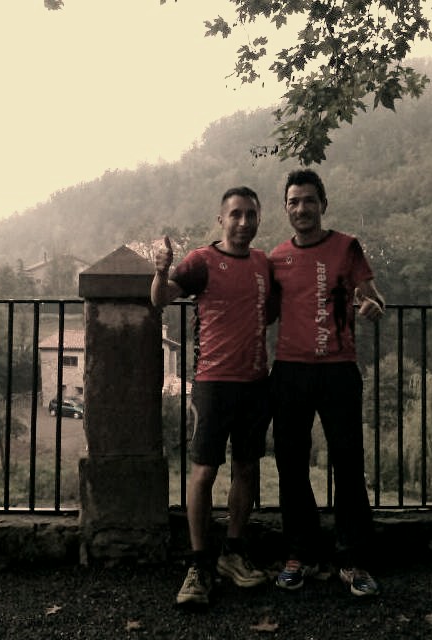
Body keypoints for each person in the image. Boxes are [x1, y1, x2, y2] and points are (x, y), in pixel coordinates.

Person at [151, 186, 271, 607]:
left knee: (247, 468)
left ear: (258, 219)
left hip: (255, 382)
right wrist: (161, 271)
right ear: (221, 219)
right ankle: (199, 564)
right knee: (203, 472)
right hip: (213, 383)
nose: (243, 222)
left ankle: (232, 554)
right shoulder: (201, 260)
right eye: (235, 214)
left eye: (250, 214)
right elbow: (161, 298)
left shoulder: (263, 263)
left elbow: (271, 309)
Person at [269, 169, 385, 597]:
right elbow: (263, 310)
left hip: (338, 370)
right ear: (286, 208)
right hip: (290, 371)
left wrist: (372, 306)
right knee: (291, 464)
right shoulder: (276, 257)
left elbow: (374, 296)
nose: (301, 208)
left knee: (348, 463)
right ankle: (300, 554)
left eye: (309, 200)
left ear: (323, 204)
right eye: (294, 202)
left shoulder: (346, 246)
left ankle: (352, 559)